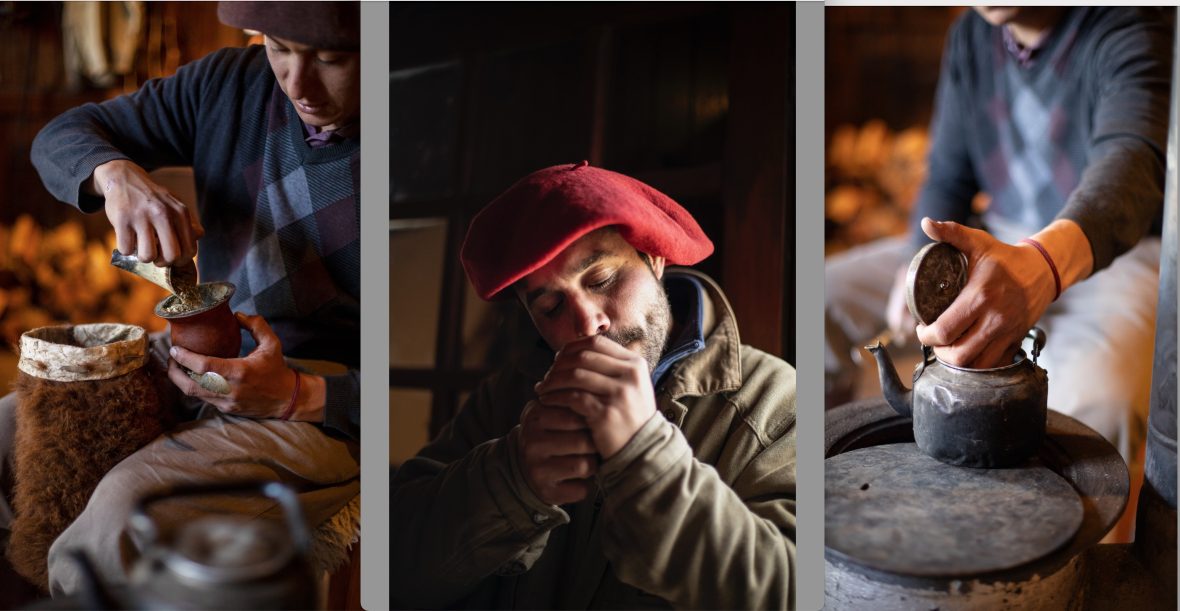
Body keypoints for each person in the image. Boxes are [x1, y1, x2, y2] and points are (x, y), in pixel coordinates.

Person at [1, 1, 360, 595]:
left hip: (322, 399)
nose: (300, 84)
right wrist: (116, 175)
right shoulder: (231, 81)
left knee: (124, 513)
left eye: (332, 58)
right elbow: (60, 137)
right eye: (278, 46)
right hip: (199, 361)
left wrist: (299, 394)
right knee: (7, 434)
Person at [391, 162, 797, 609]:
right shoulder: (509, 395)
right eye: (550, 306)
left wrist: (645, 455)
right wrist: (513, 479)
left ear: (654, 256)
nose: (587, 323)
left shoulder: (773, 401)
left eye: (602, 280)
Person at [826, 7, 1171, 461]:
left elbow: (1130, 163)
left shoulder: (1130, 22)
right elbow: (948, 177)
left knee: (1100, 401)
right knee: (823, 297)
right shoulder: (970, 35)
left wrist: (1042, 263)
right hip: (993, 239)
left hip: (1112, 250)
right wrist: (916, 262)